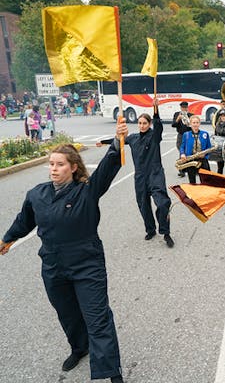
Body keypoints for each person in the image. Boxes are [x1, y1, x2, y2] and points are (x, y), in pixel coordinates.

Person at [0, 121, 129, 383]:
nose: (54, 169)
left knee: (97, 318)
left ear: (73, 167)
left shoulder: (87, 192)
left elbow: (106, 168)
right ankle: (79, 348)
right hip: (53, 266)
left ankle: (111, 371)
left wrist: (117, 141)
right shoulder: (37, 194)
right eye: (51, 164)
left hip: (86, 264)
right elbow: (24, 220)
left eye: (60, 164)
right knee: (68, 314)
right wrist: (8, 239)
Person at [125, 101, 174, 247]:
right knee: (143, 204)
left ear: (149, 123)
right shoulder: (133, 138)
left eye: (144, 123)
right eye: (139, 123)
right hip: (140, 176)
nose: (141, 125)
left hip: (155, 174)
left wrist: (156, 110)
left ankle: (166, 233)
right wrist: (102, 142)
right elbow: (120, 141)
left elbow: (158, 127)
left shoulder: (154, 136)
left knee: (162, 203)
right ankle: (150, 229)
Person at [180, 114, 212, 184]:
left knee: (205, 181)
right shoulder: (186, 134)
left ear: (199, 123)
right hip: (191, 160)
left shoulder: (205, 134)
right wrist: (182, 154)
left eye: (197, 122)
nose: (195, 124)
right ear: (190, 124)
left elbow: (209, 147)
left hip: (202, 160)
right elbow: (182, 146)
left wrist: (205, 155)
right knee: (192, 181)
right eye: (193, 123)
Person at [171, 101, 193, 177]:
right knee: (182, 152)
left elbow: (194, 126)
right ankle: (181, 170)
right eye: (183, 108)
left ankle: (192, 169)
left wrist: (189, 122)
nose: (184, 109)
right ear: (180, 108)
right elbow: (173, 125)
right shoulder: (177, 114)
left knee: (191, 152)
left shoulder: (191, 115)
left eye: (185, 108)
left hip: (189, 135)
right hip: (181, 135)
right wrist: (178, 119)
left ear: (187, 108)